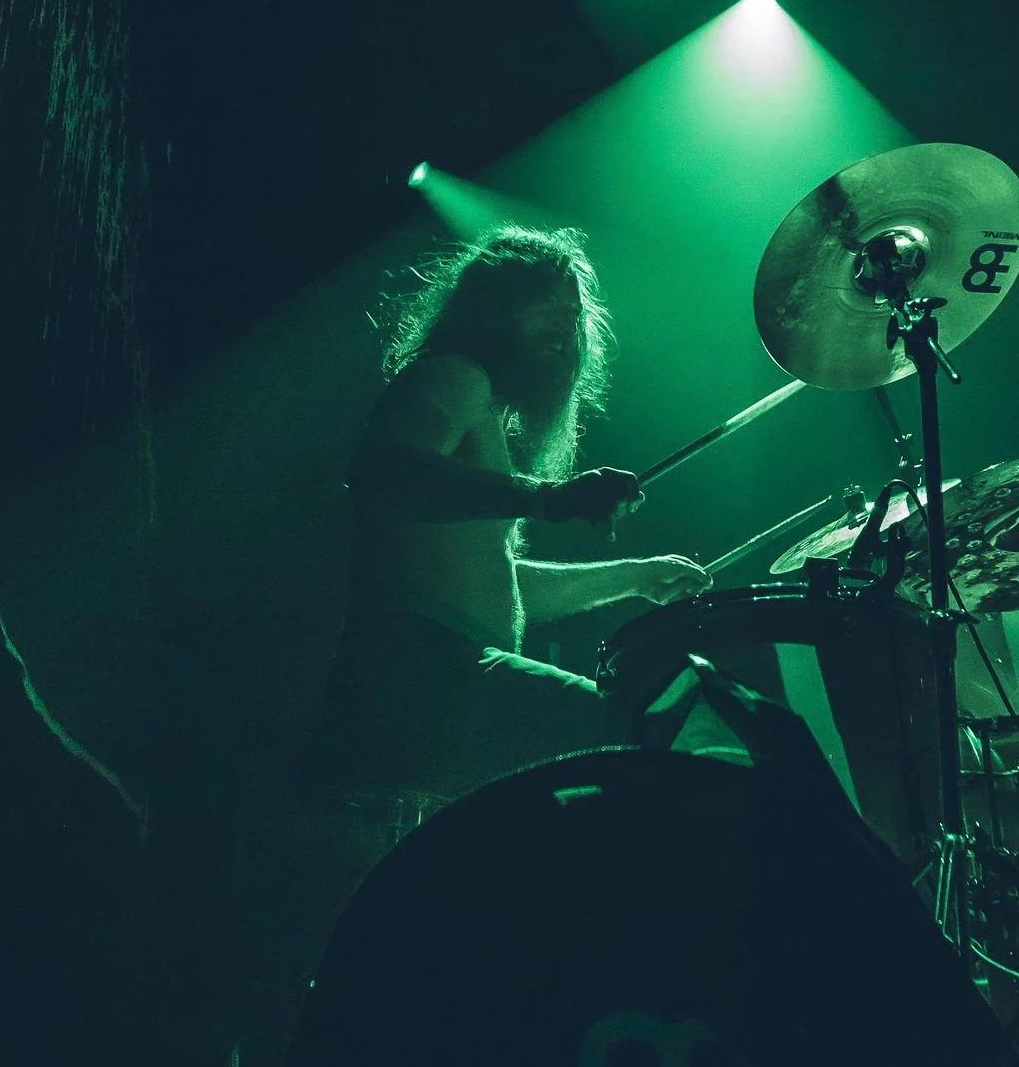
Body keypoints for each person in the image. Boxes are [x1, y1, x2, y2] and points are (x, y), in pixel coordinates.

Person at [299, 226, 711, 817]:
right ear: (492, 306)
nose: (564, 321)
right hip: (427, 674)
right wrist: (551, 498)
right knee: (655, 739)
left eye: (573, 310)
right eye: (543, 302)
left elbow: (496, 583)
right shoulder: (453, 374)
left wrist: (635, 575)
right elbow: (382, 471)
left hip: (439, 680)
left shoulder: (482, 406)